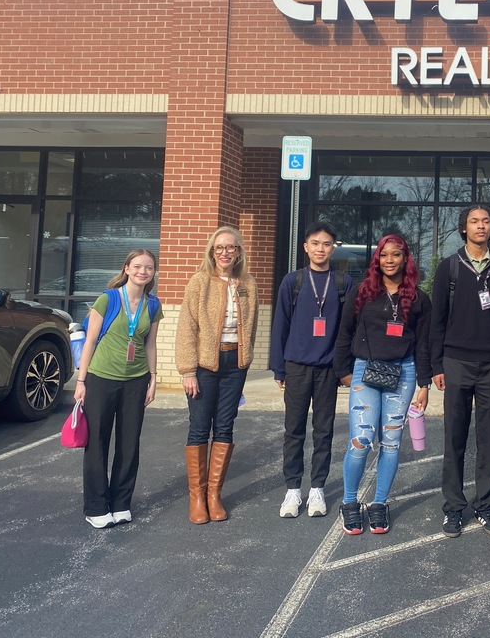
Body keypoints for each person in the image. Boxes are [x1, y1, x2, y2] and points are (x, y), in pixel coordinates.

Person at [333, 234, 432, 535]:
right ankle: (350, 502)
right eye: (384, 255)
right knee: (361, 440)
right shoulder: (363, 292)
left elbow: (424, 344)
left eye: (396, 255)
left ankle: (379, 503)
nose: (390, 260)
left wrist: (424, 384)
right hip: (365, 371)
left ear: (406, 258)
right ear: (377, 259)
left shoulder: (418, 298)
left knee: (390, 444)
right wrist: (343, 372)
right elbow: (344, 332)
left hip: (403, 372)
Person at [430, 204, 490, 538]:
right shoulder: (449, 268)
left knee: (489, 437)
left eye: (485, 222)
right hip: (456, 363)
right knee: (455, 437)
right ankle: (453, 508)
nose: (480, 226)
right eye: (473, 221)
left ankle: (486, 506)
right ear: (464, 228)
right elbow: (437, 320)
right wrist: (437, 364)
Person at [73, 249, 163, 529]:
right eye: (137, 266)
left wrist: (153, 378)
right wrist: (81, 381)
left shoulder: (153, 305)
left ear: (153, 273)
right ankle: (96, 507)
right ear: (126, 268)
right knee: (97, 443)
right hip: (101, 378)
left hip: (135, 380)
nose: (143, 272)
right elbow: (89, 342)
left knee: (129, 443)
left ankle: (121, 503)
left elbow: (150, 344)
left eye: (148, 268)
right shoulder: (108, 299)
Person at [175, 226, 259, 524]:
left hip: (234, 364)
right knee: (199, 427)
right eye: (219, 248)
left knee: (225, 426)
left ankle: (214, 495)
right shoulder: (200, 281)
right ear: (212, 252)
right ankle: (197, 497)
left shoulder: (247, 282)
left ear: (239, 251)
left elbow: (252, 322)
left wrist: (245, 357)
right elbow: (186, 327)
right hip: (203, 366)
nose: (225, 252)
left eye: (231, 247)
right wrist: (187, 370)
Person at [269, 221, 353, 519]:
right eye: (315, 243)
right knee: (293, 430)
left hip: (328, 369)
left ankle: (317, 487)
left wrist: (344, 368)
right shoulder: (293, 281)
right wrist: (278, 367)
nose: (321, 248)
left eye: (327, 243)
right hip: (296, 366)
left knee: (324, 430)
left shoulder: (343, 282)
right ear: (306, 247)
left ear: (333, 248)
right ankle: (293, 489)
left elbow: (347, 330)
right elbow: (280, 325)